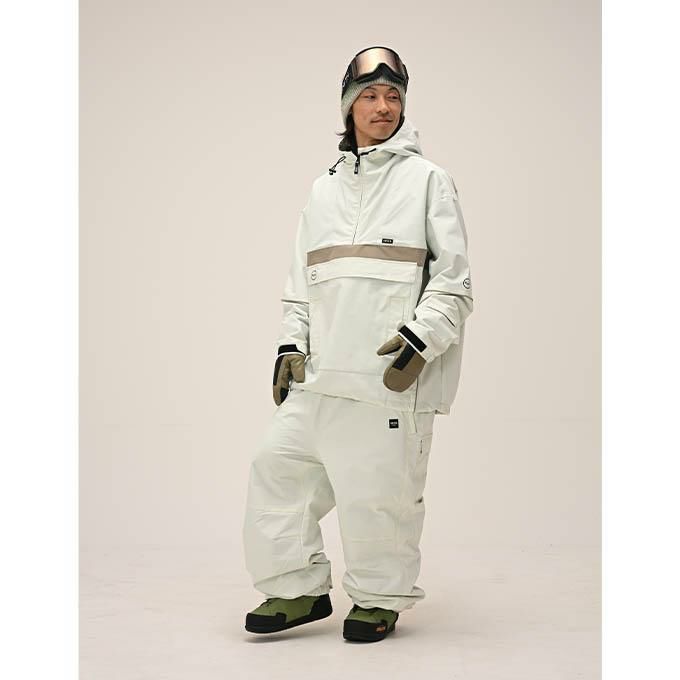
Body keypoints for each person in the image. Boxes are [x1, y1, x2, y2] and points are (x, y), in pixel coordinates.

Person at [242, 46, 474, 643]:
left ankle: (377, 599)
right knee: (277, 474)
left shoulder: (428, 181)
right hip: (319, 379)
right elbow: (302, 281)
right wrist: (289, 346)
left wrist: (419, 342)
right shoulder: (323, 189)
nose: (383, 107)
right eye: (369, 96)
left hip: (388, 382)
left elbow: (454, 282)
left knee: (378, 500)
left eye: (393, 96)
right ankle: (295, 588)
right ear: (348, 106)